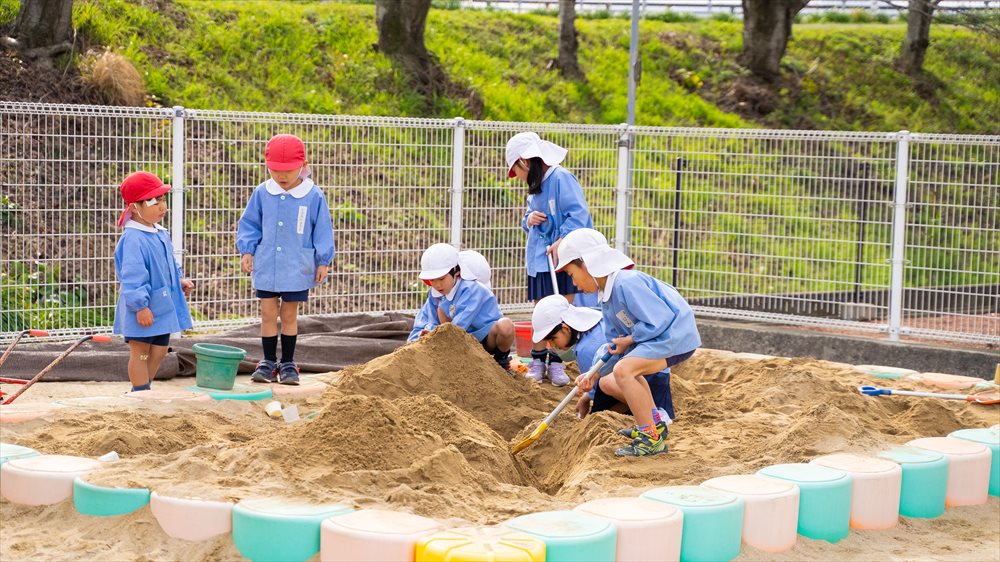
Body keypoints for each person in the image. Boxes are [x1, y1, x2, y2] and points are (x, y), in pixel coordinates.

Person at [554, 228, 701, 457]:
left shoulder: (626, 282)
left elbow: (659, 320)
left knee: (625, 371)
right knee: (622, 373)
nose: (574, 283)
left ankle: (650, 438)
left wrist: (630, 340)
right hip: (659, 338)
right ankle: (654, 425)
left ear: (586, 263)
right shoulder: (607, 297)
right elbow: (614, 345)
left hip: (675, 335)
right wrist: (594, 374)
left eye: (572, 274)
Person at [237, 134, 335, 386]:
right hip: (267, 263)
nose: (281, 176)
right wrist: (247, 251)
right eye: (275, 170)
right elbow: (250, 224)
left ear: (303, 164)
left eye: (288, 171)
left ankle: (288, 363)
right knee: (268, 313)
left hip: (297, 266)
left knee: (289, 315)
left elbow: (322, 229)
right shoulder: (262, 192)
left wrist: (323, 260)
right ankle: (268, 361)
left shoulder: (313, 195)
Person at [506, 131, 593, 385]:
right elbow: (529, 216)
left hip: (560, 257)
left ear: (525, 161)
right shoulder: (535, 187)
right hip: (538, 257)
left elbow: (578, 215)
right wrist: (528, 220)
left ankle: (555, 364)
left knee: (560, 311)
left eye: (517, 171)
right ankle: (537, 360)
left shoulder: (561, 178)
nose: (519, 178)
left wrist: (561, 240)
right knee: (541, 311)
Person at [531, 294, 673, 422]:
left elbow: (597, 380)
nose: (551, 345)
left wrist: (589, 398)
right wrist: (586, 398)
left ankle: (654, 414)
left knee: (602, 400)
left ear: (566, 328)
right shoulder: (595, 319)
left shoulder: (585, 349)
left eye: (553, 339)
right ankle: (651, 409)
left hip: (647, 383)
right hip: (658, 374)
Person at [112, 171, 194, 392]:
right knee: (141, 352)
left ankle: (144, 387)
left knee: (158, 351)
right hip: (143, 308)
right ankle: (140, 391)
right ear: (134, 208)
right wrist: (140, 306)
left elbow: (168, 262)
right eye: (152, 201)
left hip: (162, 305)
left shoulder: (159, 232)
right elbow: (132, 276)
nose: (161, 206)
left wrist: (179, 280)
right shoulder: (133, 238)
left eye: (163, 199)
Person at [408, 243, 515, 373]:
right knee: (440, 309)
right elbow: (425, 320)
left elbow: (460, 325)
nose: (437, 284)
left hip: (482, 339)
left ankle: (501, 361)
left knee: (506, 325)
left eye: (441, 278)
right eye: (432, 280)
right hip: (458, 340)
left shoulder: (472, 290)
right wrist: (418, 338)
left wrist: (435, 335)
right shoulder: (435, 293)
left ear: (457, 271)